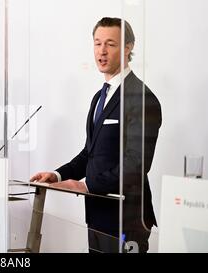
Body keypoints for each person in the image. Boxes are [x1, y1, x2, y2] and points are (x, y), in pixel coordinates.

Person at [30, 17, 162, 253]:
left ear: (128, 47)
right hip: (98, 215)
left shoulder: (142, 98)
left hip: (127, 218)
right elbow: (89, 154)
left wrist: (87, 185)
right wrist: (58, 174)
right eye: (97, 43)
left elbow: (136, 164)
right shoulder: (99, 97)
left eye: (110, 44)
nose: (102, 51)